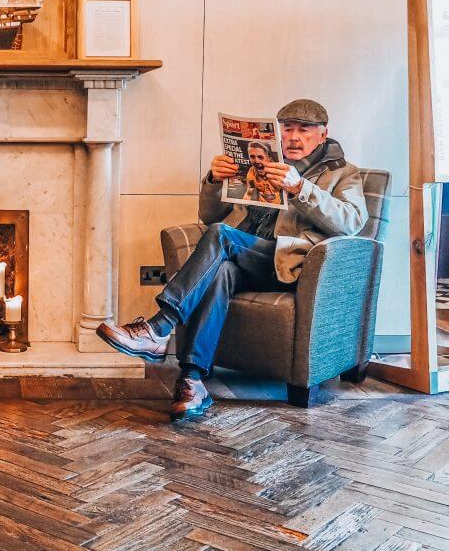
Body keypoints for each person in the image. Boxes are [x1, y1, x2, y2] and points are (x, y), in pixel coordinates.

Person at [97, 99, 368, 422]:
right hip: (244, 257)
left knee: (221, 235)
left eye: (304, 130)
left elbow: (352, 222)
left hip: (290, 263)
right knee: (221, 269)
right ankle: (193, 380)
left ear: (322, 135)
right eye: (288, 129)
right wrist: (214, 179)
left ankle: (159, 327)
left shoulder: (343, 173)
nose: (294, 137)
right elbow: (208, 214)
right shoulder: (260, 161)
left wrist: (300, 188)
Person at [243, 141, 283, 206]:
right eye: (252, 157)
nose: (257, 161)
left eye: (260, 157)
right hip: (261, 207)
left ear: (269, 158)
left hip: (278, 208)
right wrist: (244, 203)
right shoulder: (252, 171)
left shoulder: (278, 171)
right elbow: (250, 190)